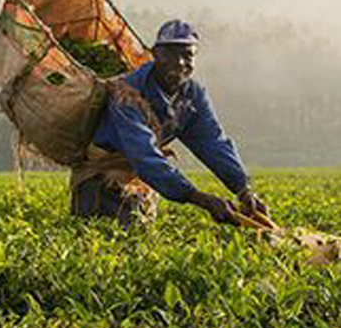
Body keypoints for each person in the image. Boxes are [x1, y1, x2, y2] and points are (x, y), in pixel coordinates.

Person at [71, 20, 267, 228]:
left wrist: (243, 190)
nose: (180, 62)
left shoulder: (192, 95)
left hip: (140, 181)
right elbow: (144, 156)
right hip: (103, 179)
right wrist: (199, 198)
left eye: (187, 55)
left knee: (140, 239)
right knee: (105, 242)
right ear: (156, 54)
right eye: (171, 54)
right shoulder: (127, 93)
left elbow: (213, 143)